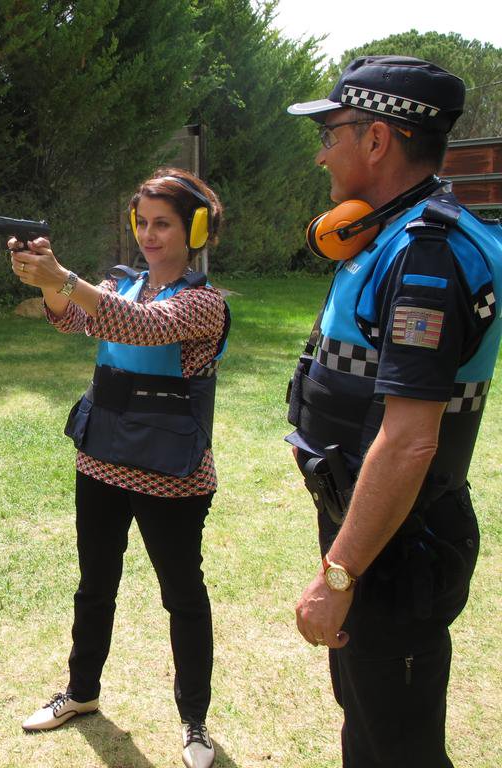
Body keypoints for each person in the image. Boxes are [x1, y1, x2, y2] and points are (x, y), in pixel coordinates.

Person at [286, 56, 502, 767]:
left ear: (376, 140)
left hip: (395, 546)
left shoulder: (427, 258)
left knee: (397, 745)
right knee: (368, 720)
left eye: (331, 133)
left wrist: (337, 576)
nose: (321, 154)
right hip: (369, 527)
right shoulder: (387, 240)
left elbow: (409, 443)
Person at [12, 168, 229, 768]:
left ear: (195, 229)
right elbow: (73, 318)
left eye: (163, 223)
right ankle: (81, 694)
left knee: (183, 595)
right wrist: (49, 279)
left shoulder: (202, 303)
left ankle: (194, 722)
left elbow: (140, 327)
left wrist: (66, 280)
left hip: (172, 472)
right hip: (101, 459)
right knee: (94, 585)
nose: (149, 234)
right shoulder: (121, 284)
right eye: (143, 222)